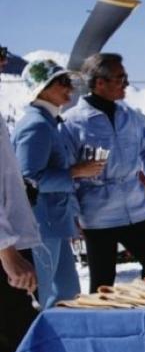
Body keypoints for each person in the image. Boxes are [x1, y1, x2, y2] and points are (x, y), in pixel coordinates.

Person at [60, 53, 145, 292]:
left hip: (136, 209)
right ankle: (105, 328)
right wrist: (72, 213)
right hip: (98, 215)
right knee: (102, 284)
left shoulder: (129, 116)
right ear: (100, 83)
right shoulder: (73, 123)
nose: (126, 84)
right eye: (120, 78)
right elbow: (66, 172)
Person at [14, 60, 102, 307]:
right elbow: (29, 179)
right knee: (42, 298)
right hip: (39, 228)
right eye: (62, 82)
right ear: (42, 89)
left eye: (69, 81)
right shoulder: (37, 126)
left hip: (53, 225)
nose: (70, 87)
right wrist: (76, 172)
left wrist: (71, 215)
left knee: (67, 296)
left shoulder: (47, 122)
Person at [1, 68, 47, 352]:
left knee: (13, 348)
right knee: (7, 348)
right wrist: (6, 250)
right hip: (2, 249)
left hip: (11, 240)